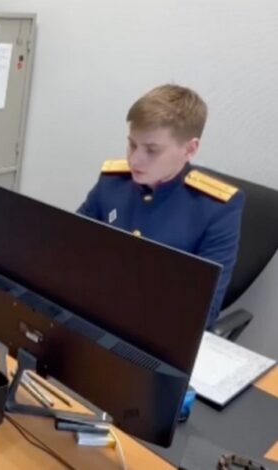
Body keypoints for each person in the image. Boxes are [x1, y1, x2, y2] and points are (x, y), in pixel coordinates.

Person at [78, 84, 244, 327]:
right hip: (93, 314)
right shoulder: (113, 182)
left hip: (154, 330)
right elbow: (70, 250)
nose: (134, 160)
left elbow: (202, 311)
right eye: (132, 145)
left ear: (190, 149)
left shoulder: (215, 208)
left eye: (151, 150)